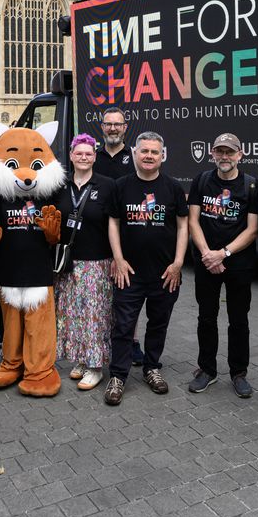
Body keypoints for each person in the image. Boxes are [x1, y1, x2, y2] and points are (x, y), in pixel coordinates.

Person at [104, 132, 188, 406]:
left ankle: (152, 368)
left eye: (154, 151)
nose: (149, 156)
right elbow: (113, 223)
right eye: (144, 151)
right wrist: (118, 258)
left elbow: (183, 225)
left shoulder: (173, 188)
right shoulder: (121, 186)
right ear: (135, 153)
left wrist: (178, 263)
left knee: (158, 324)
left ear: (162, 155)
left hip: (165, 273)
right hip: (129, 272)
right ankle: (118, 376)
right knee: (123, 326)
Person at [187, 133, 258, 398]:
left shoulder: (251, 185)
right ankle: (207, 370)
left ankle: (238, 373)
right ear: (212, 154)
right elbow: (193, 221)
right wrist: (208, 254)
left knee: (238, 319)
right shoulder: (202, 180)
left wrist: (223, 254)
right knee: (206, 317)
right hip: (206, 261)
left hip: (238, 263)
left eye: (230, 152)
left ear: (240, 155)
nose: (225, 157)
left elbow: (253, 230)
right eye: (220, 151)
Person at [54, 134, 115, 390]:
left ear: (94, 156)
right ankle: (80, 359)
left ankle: (95, 366)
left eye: (88, 154)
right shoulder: (60, 185)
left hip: (97, 261)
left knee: (95, 315)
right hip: (68, 261)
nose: (83, 158)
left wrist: (116, 258)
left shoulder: (108, 185)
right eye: (79, 153)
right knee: (71, 314)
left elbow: (115, 225)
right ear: (70, 156)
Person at [93, 106, 144, 365]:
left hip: (129, 234)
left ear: (125, 128)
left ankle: (131, 342)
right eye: (108, 124)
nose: (113, 128)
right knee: (103, 294)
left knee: (128, 293)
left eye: (117, 124)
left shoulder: (134, 157)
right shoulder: (93, 156)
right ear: (102, 127)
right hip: (97, 234)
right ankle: (104, 340)